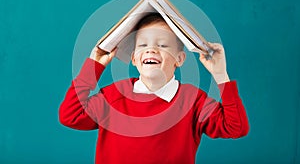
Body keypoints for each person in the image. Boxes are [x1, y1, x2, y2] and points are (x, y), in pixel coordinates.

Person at [59, 13, 249, 164]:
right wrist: (93, 66)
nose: (151, 50)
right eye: (143, 44)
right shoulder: (114, 95)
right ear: (134, 59)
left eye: (163, 45)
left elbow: (236, 127)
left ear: (179, 59)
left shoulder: (193, 100)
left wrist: (220, 75)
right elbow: (70, 116)